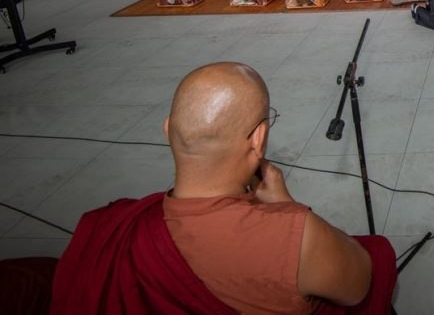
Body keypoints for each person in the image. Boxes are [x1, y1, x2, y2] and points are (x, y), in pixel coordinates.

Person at [50, 62, 396, 314]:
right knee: (378, 251)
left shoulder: (112, 222)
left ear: (168, 129)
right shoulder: (294, 236)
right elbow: (358, 286)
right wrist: (287, 208)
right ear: (258, 140)